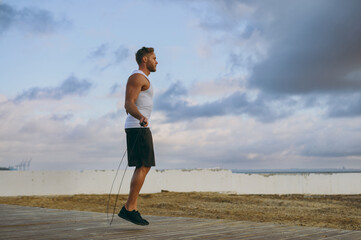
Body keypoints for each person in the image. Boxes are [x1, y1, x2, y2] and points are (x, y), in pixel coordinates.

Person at [117, 47, 158, 226]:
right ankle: (129, 209)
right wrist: (140, 116)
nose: (157, 61)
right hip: (137, 126)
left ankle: (130, 207)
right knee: (144, 165)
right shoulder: (137, 77)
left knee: (144, 165)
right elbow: (128, 104)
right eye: (154, 58)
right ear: (144, 59)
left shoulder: (144, 79)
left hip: (140, 126)